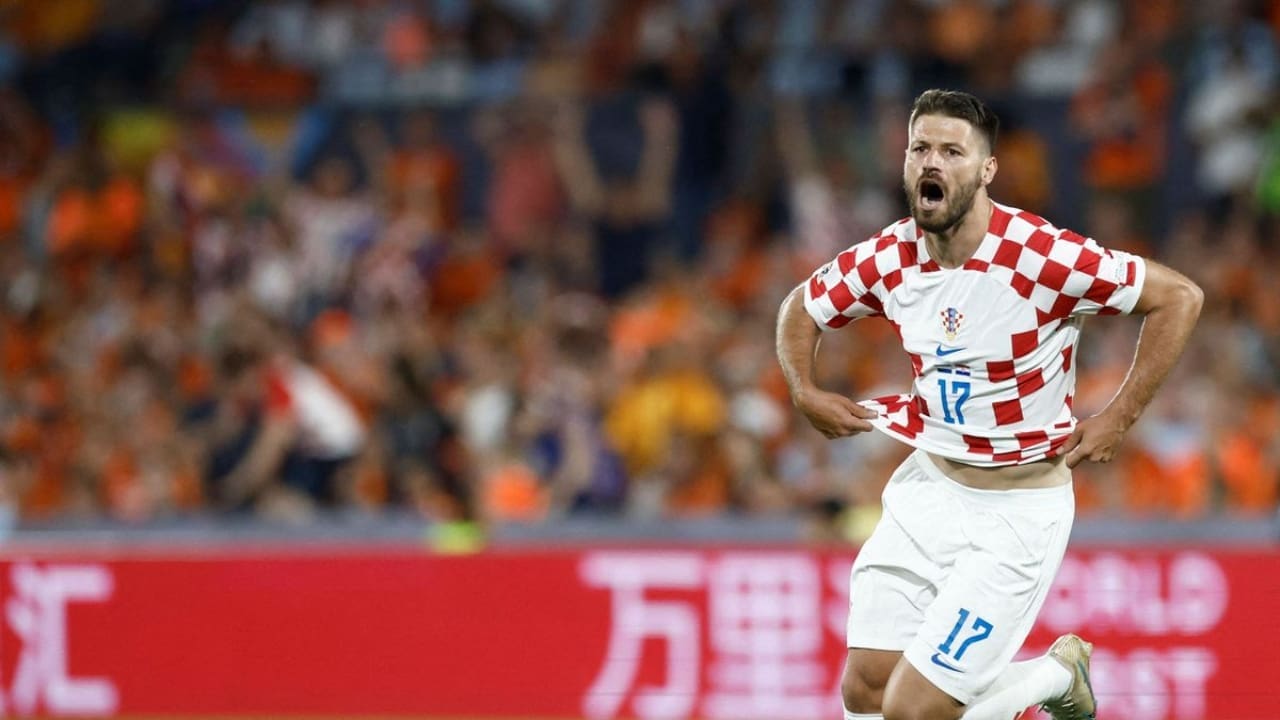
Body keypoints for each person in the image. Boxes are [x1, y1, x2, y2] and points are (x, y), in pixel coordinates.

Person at [776, 89, 1203, 720]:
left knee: (914, 711)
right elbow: (801, 308)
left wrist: (1120, 415)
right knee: (865, 692)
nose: (932, 162)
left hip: (1015, 515)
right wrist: (803, 391)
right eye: (921, 148)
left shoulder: (1040, 255)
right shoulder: (890, 257)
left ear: (986, 170)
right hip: (927, 492)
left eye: (953, 151)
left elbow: (1179, 296)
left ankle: (1056, 675)